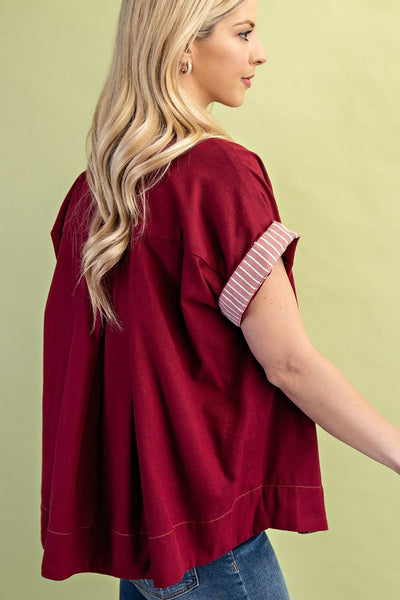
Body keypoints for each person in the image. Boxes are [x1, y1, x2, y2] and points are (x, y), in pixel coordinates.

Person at [40, 0, 400, 598]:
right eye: (244, 32)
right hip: (205, 540)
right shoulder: (221, 175)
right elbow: (288, 363)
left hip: (149, 540)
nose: (260, 53)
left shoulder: (94, 190)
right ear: (185, 44)